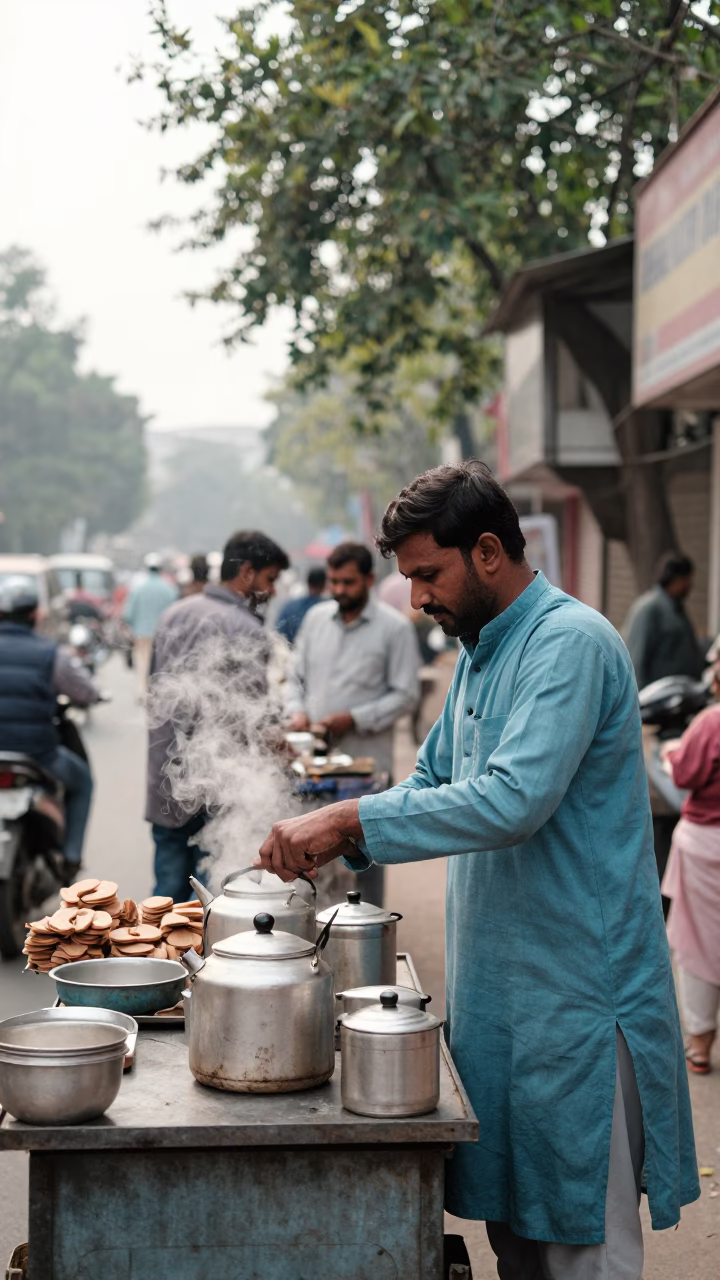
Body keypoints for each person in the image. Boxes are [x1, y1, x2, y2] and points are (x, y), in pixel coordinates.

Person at [257, 461, 699, 1280]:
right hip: (500, 1003)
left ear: (488, 551)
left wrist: (349, 820)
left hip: (576, 1005)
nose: (416, 597)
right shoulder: (479, 653)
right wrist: (337, 836)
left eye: (428, 574)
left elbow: (511, 800)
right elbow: (432, 781)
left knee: (581, 1246)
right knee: (520, 1244)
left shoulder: (569, 643)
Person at [146, 530, 290, 903]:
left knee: (165, 899)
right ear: (246, 572)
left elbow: (154, 693)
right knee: (212, 901)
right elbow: (254, 720)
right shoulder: (246, 629)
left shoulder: (173, 613)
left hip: (164, 778)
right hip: (216, 790)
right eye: (270, 578)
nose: (272, 590)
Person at [286, 542, 420, 776]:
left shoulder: (396, 628)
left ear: (369, 580)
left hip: (366, 767)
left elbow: (406, 696)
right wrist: (297, 712)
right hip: (315, 766)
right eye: (334, 582)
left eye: (348, 582)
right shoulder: (315, 619)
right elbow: (294, 677)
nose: (339, 590)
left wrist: (355, 719)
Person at [0, 576, 99, 874]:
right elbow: (86, 692)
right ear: (35, 614)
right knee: (83, 783)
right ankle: (70, 857)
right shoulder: (51, 654)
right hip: (38, 755)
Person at [662, 690, 720, 1074]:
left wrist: (670, 754)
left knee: (699, 941)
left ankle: (700, 1041)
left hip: (708, 844)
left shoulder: (712, 722)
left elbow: (685, 774)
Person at [623, 551, 705, 691]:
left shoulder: (677, 609)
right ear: (677, 579)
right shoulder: (649, 609)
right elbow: (636, 658)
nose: (690, 585)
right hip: (657, 697)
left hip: (679, 695)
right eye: (687, 579)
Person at [123, 554, 178, 700]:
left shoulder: (138, 588)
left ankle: (142, 692)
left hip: (141, 634)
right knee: (160, 664)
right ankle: (157, 693)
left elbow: (128, 614)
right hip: (162, 635)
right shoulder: (169, 589)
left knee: (142, 663)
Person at [275, 566, 326, 645]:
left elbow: (279, 634)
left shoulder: (290, 606)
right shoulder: (327, 609)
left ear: (308, 582)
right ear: (324, 585)